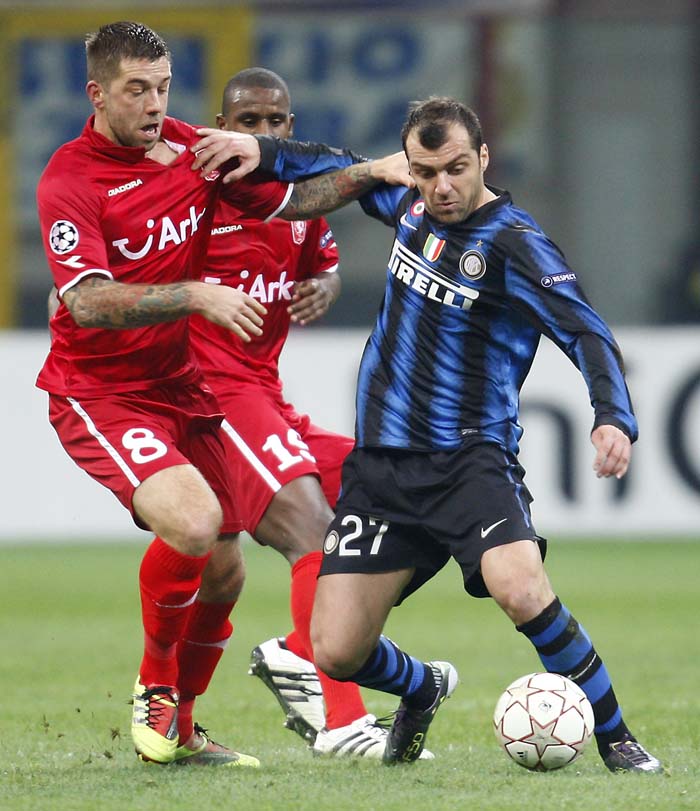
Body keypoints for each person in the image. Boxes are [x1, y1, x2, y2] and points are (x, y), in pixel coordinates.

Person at [190, 97, 664, 772]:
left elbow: (586, 330)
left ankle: (617, 736)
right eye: (426, 170)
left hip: (470, 460)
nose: (442, 187)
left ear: (484, 160)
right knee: (335, 650)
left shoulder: (515, 245)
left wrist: (613, 416)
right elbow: (342, 169)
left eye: (457, 169)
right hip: (382, 470)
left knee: (521, 587)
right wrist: (262, 154)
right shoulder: (410, 202)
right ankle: (422, 686)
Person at [36, 21, 408, 768]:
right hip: (102, 391)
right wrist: (197, 295)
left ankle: (181, 729)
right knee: (199, 520)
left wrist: (379, 171)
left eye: (163, 86)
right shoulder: (69, 179)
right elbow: (86, 303)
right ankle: (156, 690)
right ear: (97, 92)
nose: (152, 103)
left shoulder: (194, 151)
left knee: (226, 568)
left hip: (181, 388)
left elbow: (295, 203)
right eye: (135, 89)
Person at [187, 67, 427, 758]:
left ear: (290, 130)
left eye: (275, 122)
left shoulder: (302, 201)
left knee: (395, 487)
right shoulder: (197, 195)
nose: (262, 134)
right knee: (312, 528)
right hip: (211, 396)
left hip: (264, 394)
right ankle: (342, 718)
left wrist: (322, 281)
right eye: (247, 122)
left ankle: (299, 648)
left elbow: (315, 252)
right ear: (221, 127)